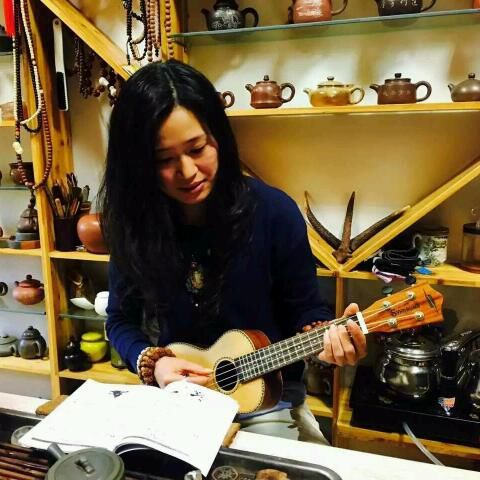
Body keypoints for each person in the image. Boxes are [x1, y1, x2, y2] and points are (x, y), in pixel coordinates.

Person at [100, 60, 367, 445]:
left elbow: (306, 310)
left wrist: (329, 342)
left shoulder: (274, 212)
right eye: (163, 160)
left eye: (197, 149)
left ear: (219, 137)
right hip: (181, 400)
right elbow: (120, 320)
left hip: (267, 401)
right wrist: (153, 364)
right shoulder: (137, 223)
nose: (187, 171)